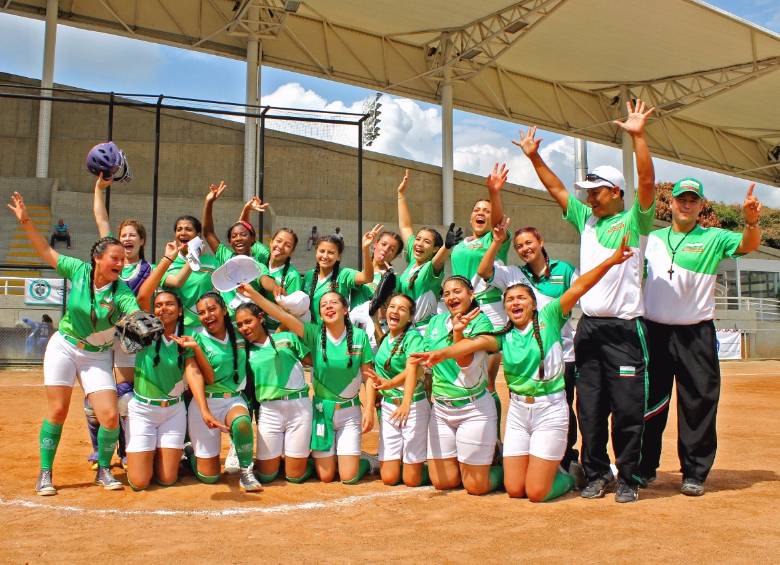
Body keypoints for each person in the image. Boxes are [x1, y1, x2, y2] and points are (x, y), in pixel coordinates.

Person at [514, 98, 656, 503]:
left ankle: (627, 477)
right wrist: (535, 157)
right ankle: (596, 473)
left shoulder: (634, 221)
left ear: (615, 192)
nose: (589, 198)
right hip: (589, 328)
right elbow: (556, 189)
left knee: (628, 412)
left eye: (596, 192)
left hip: (626, 330)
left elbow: (646, 185)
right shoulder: (587, 220)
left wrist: (639, 137)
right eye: (588, 193)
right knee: (590, 411)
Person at [415, 238, 633, 501]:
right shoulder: (503, 336)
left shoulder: (550, 317)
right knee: (515, 490)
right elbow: (472, 345)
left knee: (536, 493)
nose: (515, 303)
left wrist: (611, 260)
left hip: (550, 410)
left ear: (533, 304)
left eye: (521, 298)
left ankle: (570, 474)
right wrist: (441, 353)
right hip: (518, 414)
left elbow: (579, 287)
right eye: (509, 300)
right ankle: (526, 465)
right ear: (505, 307)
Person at [8, 192, 138, 495]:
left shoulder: (121, 290)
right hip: (64, 346)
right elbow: (44, 250)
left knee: (109, 416)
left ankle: (104, 469)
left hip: (96, 355)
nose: (121, 262)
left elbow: (132, 310)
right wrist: (26, 220)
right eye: (115, 258)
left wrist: (137, 320)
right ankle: (45, 472)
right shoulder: (78, 270)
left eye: (123, 259)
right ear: (98, 259)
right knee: (58, 410)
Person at [641, 179, 762, 496]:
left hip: (696, 332)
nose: (686, 204)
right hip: (655, 331)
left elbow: (748, 245)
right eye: (681, 198)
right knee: (650, 401)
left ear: (700, 205)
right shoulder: (651, 239)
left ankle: (693, 472)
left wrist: (750, 221)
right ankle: (643, 466)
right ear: (671, 204)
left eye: (693, 199)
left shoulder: (714, 237)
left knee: (699, 402)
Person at [476, 218, 582, 485]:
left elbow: (580, 297)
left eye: (529, 243)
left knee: (563, 408)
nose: (524, 249)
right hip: (524, 358)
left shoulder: (564, 270)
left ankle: (564, 461)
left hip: (562, 355)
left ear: (541, 242)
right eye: (519, 245)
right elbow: (484, 270)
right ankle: (532, 457)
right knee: (523, 405)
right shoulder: (514, 274)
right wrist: (497, 241)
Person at [245, 286, 376, 483]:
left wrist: (369, 410)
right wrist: (253, 294)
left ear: (345, 309)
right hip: (322, 411)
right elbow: (282, 315)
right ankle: (318, 457)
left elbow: (368, 376)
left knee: (349, 478)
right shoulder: (314, 334)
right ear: (320, 314)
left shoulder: (359, 336)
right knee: (326, 476)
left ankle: (366, 461)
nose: (328, 307)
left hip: (350, 412)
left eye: (333, 303)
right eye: (323, 305)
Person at [125, 245, 225, 490]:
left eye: (170, 304)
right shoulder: (144, 329)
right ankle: (135, 450)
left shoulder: (187, 337)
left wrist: (204, 411)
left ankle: (185, 453)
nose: (162, 309)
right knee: (139, 482)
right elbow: (142, 297)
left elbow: (193, 372)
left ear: (180, 310)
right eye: (158, 305)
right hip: (143, 410)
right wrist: (168, 259)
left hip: (173, 411)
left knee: (168, 479)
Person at [417, 276, 502, 495]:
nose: (451, 297)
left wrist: (458, 332)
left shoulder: (481, 322)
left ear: (471, 294)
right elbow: (428, 367)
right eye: (446, 294)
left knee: (475, 486)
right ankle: (476, 457)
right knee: (443, 483)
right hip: (442, 409)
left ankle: (505, 470)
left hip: (473, 409)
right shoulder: (436, 322)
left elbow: (464, 362)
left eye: (457, 292)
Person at [180, 291, 263, 492]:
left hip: (232, 399)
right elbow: (201, 377)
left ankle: (246, 471)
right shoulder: (194, 339)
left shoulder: (240, 331)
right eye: (201, 312)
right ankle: (190, 453)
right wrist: (205, 411)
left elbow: (266, 333)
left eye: (212, 309)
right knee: (209, 478)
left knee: (242, 422)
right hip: (204, 402)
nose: (207, 315)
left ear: (224, 310)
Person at [234, 285, 315, 484]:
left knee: (294, 477)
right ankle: (294, 455)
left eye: (248, 321)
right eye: (240, 325)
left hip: (300, 408)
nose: (245, 328)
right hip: (269, 411)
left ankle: (315, 461)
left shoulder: (287, 338)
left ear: (261, 318)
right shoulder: (245, 352)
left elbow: (313, 363)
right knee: (267, 476)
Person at [448, 163, 508, 427]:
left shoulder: (496, 238)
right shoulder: (460, 243)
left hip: (490, 310)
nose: (481, 213)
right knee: (462, 372)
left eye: (486, 210)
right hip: (460, 311)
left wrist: (493, 192)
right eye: (476, 210)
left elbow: (497, 220)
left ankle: (494, 440)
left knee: (488, 381)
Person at [363, 294, 430, 487]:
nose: (394, 311)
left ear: (410, 317)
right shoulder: (385, 337)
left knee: (411, 480)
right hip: (389, 408)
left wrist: (404, 401)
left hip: (413, 405)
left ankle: (433, 467)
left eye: (402, 309)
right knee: (389, 478)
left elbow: (413, 369)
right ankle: (372, 461)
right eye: (392, 306)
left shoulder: (413, 337)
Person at [201, 183, 282, 314]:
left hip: (251, 322)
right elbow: (208, 233)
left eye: (243, 235)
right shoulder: (226, 256)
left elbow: (265, 280)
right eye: (234, 236)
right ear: (230, 241)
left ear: (253, 240)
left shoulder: (258, 264)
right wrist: (209, 202)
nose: (238, 238)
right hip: (228, 323)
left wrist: (275, 288)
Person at [396, 169, 460, 329]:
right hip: (404, 329)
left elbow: (439, 260)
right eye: (418, 239)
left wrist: (447, 246)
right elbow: (404, 226)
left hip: (423, 330)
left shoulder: (430, 269)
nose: (419, 244)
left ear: (434, 249)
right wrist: (401, 195)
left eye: (426, 242)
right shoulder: (413, 259)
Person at [302, 225, 382, 324]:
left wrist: (365, 249)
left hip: (338, 333)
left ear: (338, 257)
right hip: (313, 334)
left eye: (331, 252)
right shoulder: (308, 276)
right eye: (322, 251)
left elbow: (367, 277)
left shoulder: (344, 274)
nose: (325, 256)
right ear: (316, 252)